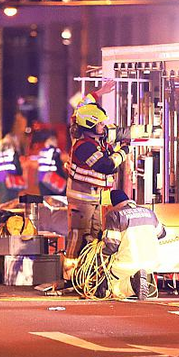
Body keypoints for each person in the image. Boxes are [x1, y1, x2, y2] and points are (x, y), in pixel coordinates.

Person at [65, 80, 129, 268]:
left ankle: (89, 271)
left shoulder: (91, 134)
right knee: (78, 236)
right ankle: (70, 272)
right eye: (100, 123)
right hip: (82, 200)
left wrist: (100, 92)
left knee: (95, 235)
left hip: (95, 198)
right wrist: (123, 152)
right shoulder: (84, 146)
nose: (103, 125)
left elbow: (82, 105)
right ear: (90, 125)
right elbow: (106, 166)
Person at [101, 190, 165, 300]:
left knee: (111, 286)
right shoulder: (149, 212)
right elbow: (162, 234)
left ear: (114, 204)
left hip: (127, 265)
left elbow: (111, 246)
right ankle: (141, 282)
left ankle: (133, 282)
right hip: (151, 264)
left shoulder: (114, 215)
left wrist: (99, 251)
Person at [0, 134, 24, 203]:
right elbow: (17, 165)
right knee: (12, 201)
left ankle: (3, 209)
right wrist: (20, 174)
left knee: (3, 199)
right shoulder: (12, 151)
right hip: (11, 177)